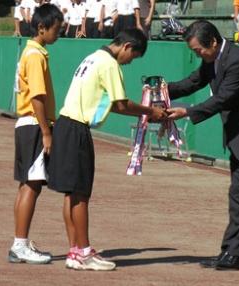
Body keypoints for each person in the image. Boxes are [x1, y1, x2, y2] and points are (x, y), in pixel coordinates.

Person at [166, 20, 239, 270]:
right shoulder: (213, 59)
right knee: (237, 197)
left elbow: (223, 98)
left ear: (214, 42)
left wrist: (187, 111)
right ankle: (229, 250)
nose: (197, 55)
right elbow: (192, 82)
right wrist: (163, 91)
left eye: (198, 50)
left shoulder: (237, 60)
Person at [47, 28, 167, 271]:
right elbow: (121, 105)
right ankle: (83, 252)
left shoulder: (92, 57)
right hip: (76, 129)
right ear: (127, 47)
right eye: (133, 56)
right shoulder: (110, 64)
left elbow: (109, 105)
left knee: (71, 193)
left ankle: (75, 251)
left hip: (65, 125)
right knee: (80, 194)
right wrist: (151, 111)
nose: (130, 61)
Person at [8, 3, 63, 264]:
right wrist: (46, 132)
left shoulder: (31, 52)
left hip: (26, 125)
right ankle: (20, 244)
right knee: (32, 185)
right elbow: (38, 97)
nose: (58, 34)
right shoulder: (35, 55)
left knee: (27, 185)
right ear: (41, 27)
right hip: (33, 125)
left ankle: (19, 243)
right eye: (56, 29)